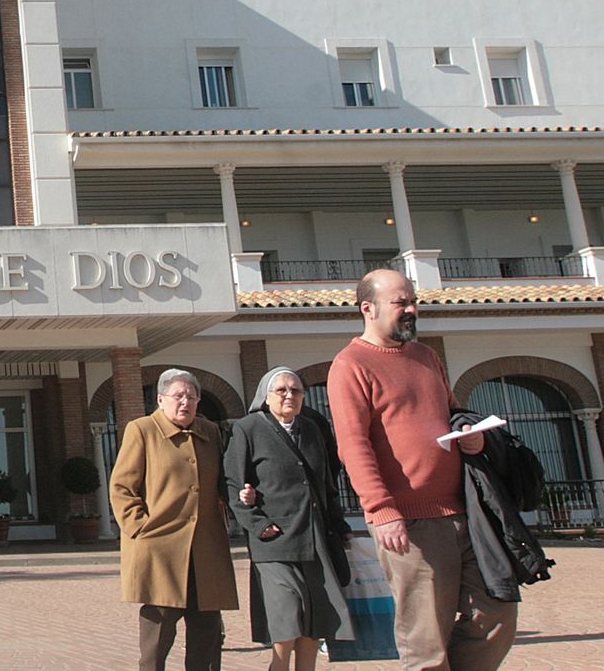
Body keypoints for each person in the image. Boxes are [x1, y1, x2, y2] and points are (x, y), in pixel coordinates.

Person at [327, 268, 518, 670]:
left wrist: (473, 436)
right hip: (408, 524)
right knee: (425, 640)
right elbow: (353, 444)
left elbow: (453, 414)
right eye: (401, 303)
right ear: (368, 308)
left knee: (497, 612)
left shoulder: (427, 355)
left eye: (413, 301)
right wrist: (381, 510)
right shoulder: (350, 365)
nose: (412, 309)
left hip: (466, 513)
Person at [110, 368, 239, 671]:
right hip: (160, 547)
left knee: (207, 629)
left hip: (205, 547)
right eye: (178, 396)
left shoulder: (209, 431)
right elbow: (122, 487)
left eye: (192, 397)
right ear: (160, 399)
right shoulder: (142, 430)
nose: (185, 402)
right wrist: (139, 528)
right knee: (159, 631)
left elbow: (223, 479)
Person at [226, 366, 354, 671]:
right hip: (275, 541)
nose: (289, 396)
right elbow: (233, 485)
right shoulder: (248, 429)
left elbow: (326, 484)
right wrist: (257, 524)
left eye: (296, 391)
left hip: (314, 538)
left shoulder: (310, 429)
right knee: (288, 616)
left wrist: (337, 524)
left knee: (315, 618)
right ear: (266, 396)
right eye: (281, 390)